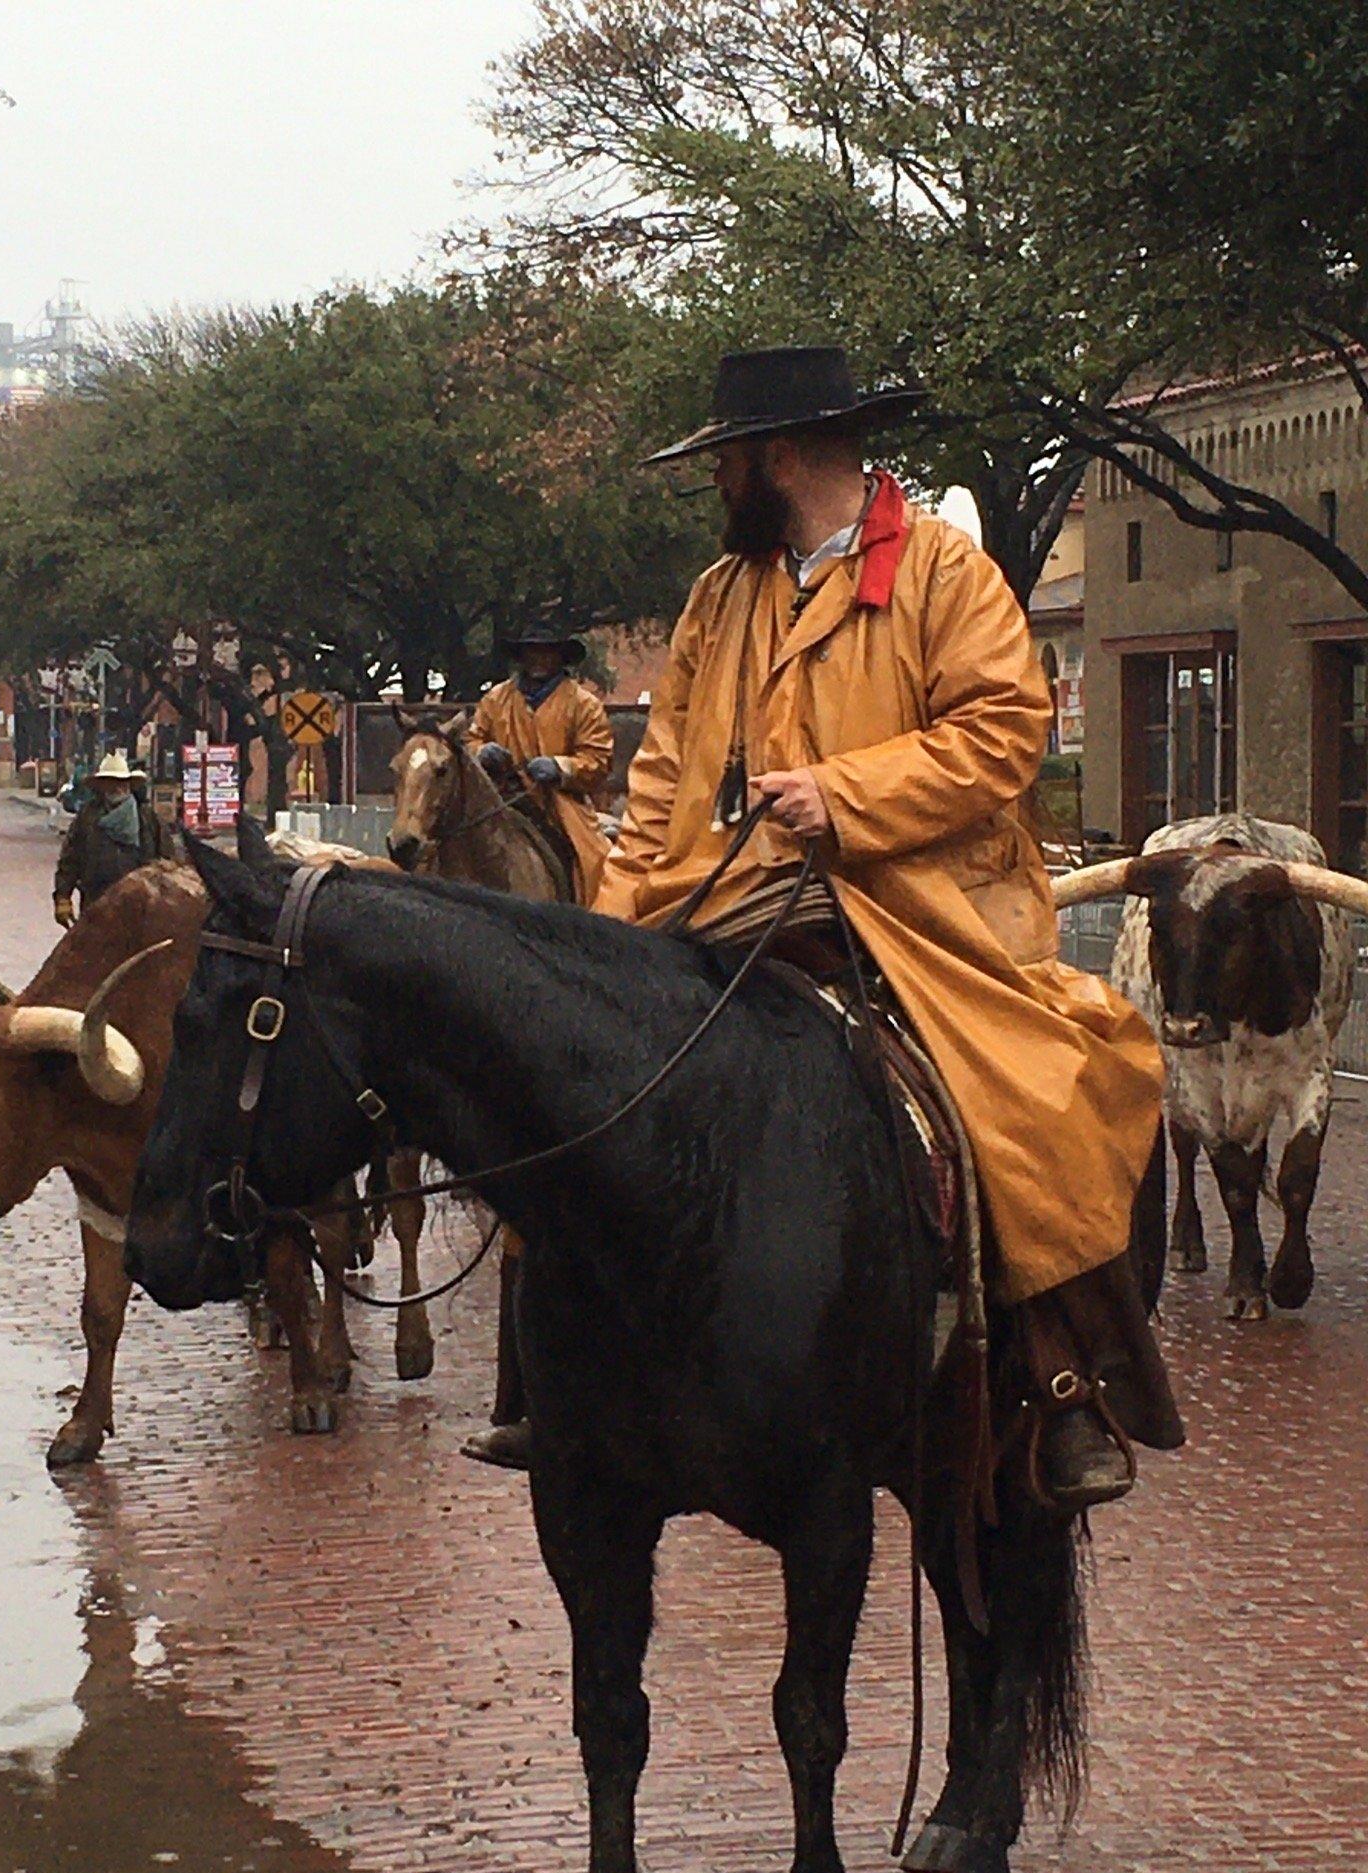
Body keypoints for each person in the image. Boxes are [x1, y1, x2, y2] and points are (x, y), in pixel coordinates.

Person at [598, 347, 1182, 1511]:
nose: (717, 479)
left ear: (775, 456)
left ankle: (1062, 1381)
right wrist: (611, 932)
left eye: (725, 457)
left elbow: (1004, 731)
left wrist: (845, 795)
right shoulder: (721, 597)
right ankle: (564, 1381)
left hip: (923, 902)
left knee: (1045, 1095)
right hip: (729, 890)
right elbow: (662, 775)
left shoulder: (944, 575)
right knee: (588, 1075)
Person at [469, 622, 617, 905]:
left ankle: (596, 918)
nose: (539, 659)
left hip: (559, 803)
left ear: (560, 657)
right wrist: (481, 752)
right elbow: (470, 741)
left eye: (547, 652)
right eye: (531, 652)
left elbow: (598, 760)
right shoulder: (495, 699)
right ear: (521, 657)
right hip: (498, 797)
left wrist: (561, 768)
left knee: (595, 860)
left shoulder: (584, 704)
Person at [53, 750, 166, 927]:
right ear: (102, 786)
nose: (117, 787)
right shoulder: (88, 817)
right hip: (97, 901)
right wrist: (63, 897)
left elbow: (167, 862)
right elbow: (70, 859)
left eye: (121, 782)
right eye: (111, 782)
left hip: (141, 906)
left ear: (129, 785)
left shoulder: (147, 818)